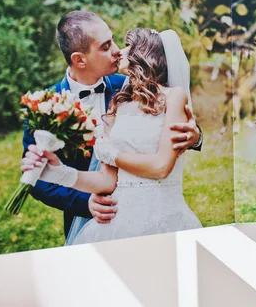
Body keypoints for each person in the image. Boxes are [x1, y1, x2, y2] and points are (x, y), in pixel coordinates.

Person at [21, 12, 202, 244]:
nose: (117, 50)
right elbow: (37, 178)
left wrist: (194, 137)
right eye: (106, 46)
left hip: (158, 210)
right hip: (96, 218)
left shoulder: (125, 87)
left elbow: (170, 129)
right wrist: (85, 202)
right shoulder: (47, 105)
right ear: (80, 60)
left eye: (115, 41)